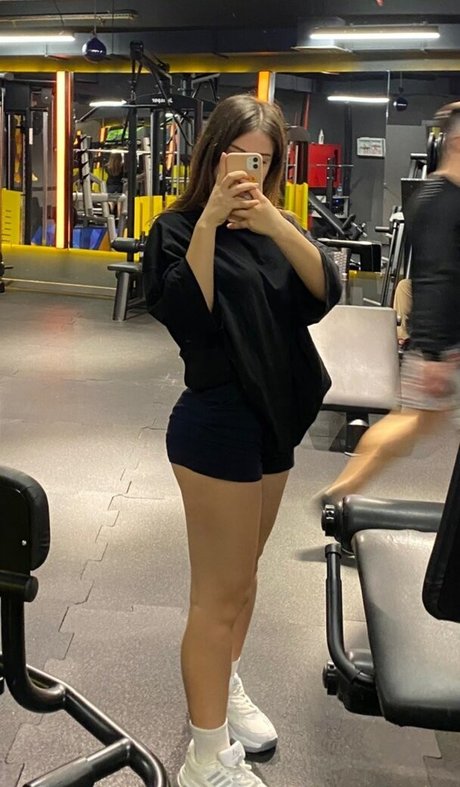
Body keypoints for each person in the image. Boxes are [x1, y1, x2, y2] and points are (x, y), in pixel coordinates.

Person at [142, 94, 341, 787]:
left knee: (245, 580)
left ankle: (223, 686)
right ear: (214, 156)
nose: (249, 171)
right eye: (239, 156)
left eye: (264, 160)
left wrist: (275, 220)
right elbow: (187, 315)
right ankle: (204, 760)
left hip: (274, 420)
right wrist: (211, 221)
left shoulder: (273, 227)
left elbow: (325, 291)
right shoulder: (175, 228)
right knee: (215, 596)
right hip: (217, 422)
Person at [317, 102, 460, 506]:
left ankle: (342, 491)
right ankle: (341, 492)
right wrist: (432, 353)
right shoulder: (442, 200)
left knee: (416, 422)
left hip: (444, 340)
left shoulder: (442, 195)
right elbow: (435, 276)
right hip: (444, 344)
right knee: (412, 422)